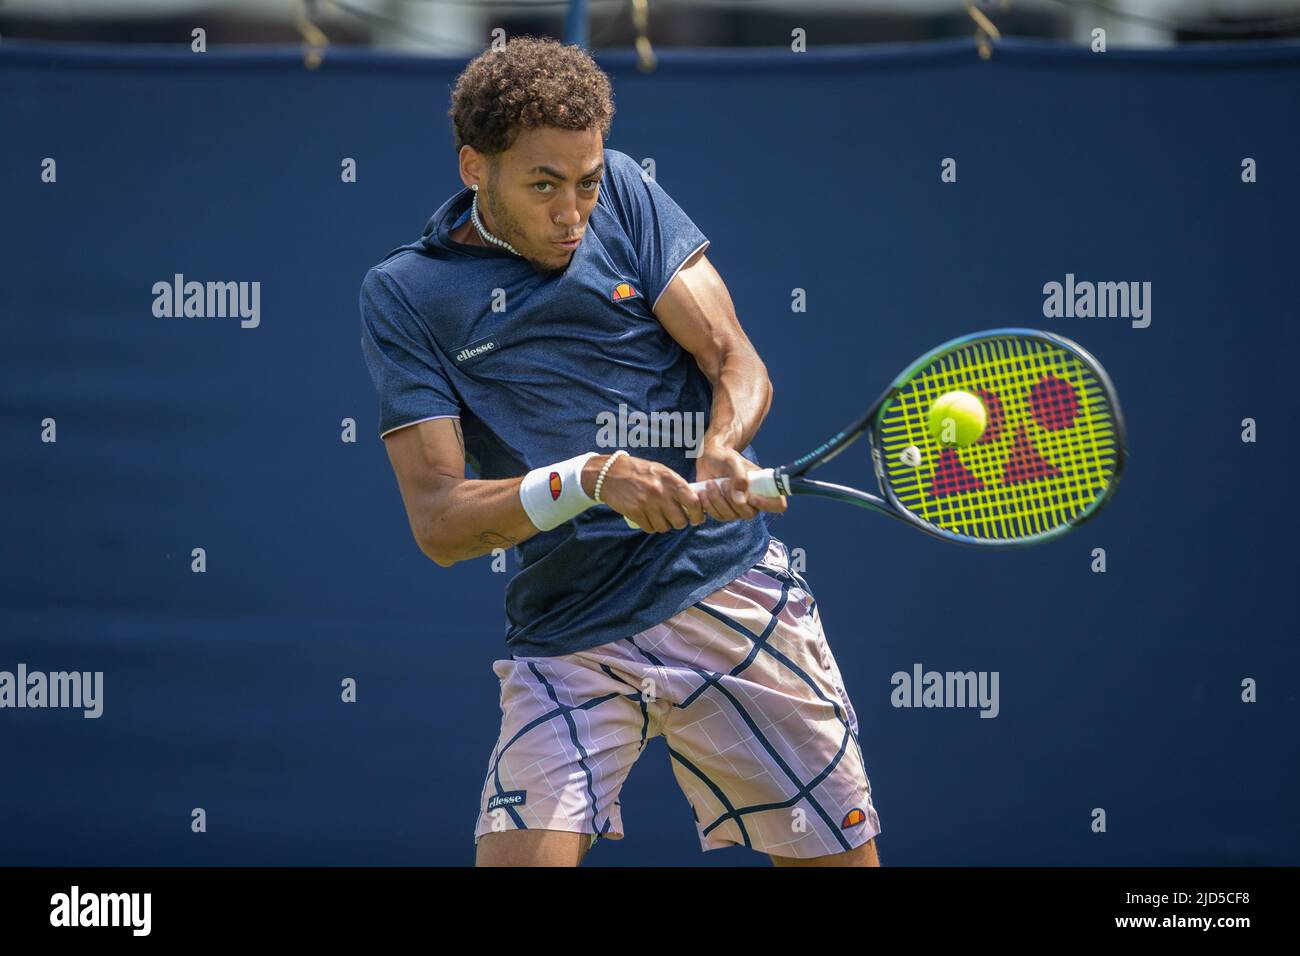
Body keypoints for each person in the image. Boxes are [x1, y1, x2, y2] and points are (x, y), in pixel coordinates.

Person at [359, 36, 881, 867]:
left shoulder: (628, 194)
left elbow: (731, 358)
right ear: (473, 168)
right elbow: (440, 523)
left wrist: (720, 447)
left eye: (587, 181)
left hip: (726, 593)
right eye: (543, 185)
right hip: (569, 633)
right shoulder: (407, 294)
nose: (574, 212)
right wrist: (592, 479)